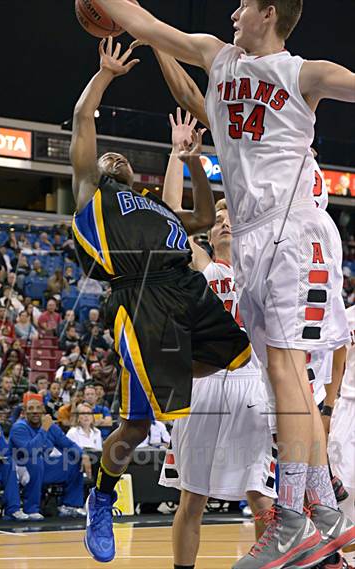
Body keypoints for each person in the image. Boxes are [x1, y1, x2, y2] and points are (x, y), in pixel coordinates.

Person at [92, 1, 355, 567]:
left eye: (243, 5)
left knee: (288, 371)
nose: (233, 11)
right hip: (256, 244)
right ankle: (321, 512)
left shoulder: (304, 72)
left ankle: (292, 520)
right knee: (290, 377)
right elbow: (148, 27)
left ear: (268, 12)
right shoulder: (219, 59)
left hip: (292, 229)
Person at [70, 38, 249, 562]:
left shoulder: (155, 207)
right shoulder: (90, 193)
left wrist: (192, 160)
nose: (114, 156)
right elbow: (83, 117)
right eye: (108, 156)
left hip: (183, 290)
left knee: (239, 358)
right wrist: (104, 75)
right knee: (138, 424)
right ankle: (101, 495)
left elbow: (201, 212)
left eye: (120, 157)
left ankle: (160, 388)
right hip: (140, 297)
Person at [158, 112, 277, 564]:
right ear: (208, 231)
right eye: (218, 218)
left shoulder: (259, 265)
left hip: (251, 384)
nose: (225, 222)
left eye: (232, 218)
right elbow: (169, 218)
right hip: (203, 383)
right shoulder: (202, 269)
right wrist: (180, 155)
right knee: (193, 498)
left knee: (260, 495)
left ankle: (276, 559)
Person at [9, 396, 89, 520]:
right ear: (24, 413)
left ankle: (69, 505)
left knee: (73, 459)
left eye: (38, 408)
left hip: (43, 467)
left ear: (43, 411)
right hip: (21, 467)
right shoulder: (19, 427)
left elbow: (68, 444)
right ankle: (31, 509)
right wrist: (44, 429)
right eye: (31, 408)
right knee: (36, 460)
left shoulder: (51, 427)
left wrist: (83, 454)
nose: (35, 411)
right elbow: (30, 451)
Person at [328, 305, 355, 567]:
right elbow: (336, 364)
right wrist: (329, 405)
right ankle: (349, 555)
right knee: (344, 484)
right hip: (348, 404)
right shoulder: (346, 316)